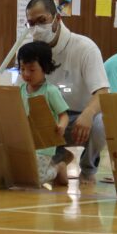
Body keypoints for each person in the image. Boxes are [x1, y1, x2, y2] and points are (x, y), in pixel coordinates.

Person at [24, 0, 110, 183]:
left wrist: (88, 113)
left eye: (42, 21)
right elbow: (21, 90)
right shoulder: (29, 51)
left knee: (101, 122)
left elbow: (102, 91)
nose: (37, 28)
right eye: (31, 23)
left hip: (79, 119)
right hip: (48, 121)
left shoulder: (85, 48)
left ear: (57, 19)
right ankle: (59, 157)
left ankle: (88, 170)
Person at [18, 41, 73, 187]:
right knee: (21, 175)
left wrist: (61, 127)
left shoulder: (51, 91)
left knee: (38, 179)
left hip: (44, 145)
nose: (26, 74)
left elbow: (64, 115)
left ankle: (58, 167)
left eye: (31, 70)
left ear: (45, 68)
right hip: (24, 142)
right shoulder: (20, 90)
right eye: (22, 69)